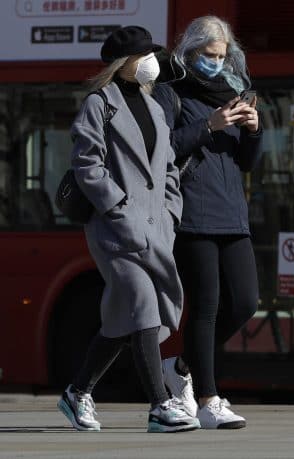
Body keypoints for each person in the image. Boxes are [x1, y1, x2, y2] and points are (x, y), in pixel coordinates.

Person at [57, 26, 200, 433]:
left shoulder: (155, 107)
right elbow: (87, 164)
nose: (152, 62)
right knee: (143, 304)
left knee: (125, 318)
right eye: (144, 55)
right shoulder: (99, 104)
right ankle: (160, 406)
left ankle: (78, 392)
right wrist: (118, 207)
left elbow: (168, 168)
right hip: (114, 229)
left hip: (156, 229)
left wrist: (171, 214)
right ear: (125, 63)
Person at [152, 15, 262, 430]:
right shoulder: (171, 93)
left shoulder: (234, 92)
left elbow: (246, 163)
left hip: (232, 212)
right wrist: (208, 125)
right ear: (191, 51)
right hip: (192, 213)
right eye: (208, 55)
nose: (215, 62)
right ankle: (207, 400)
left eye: (221, 56)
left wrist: (253, 131)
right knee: (206, 307)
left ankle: (180, 364)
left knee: (246, 301)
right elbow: (162, 150)